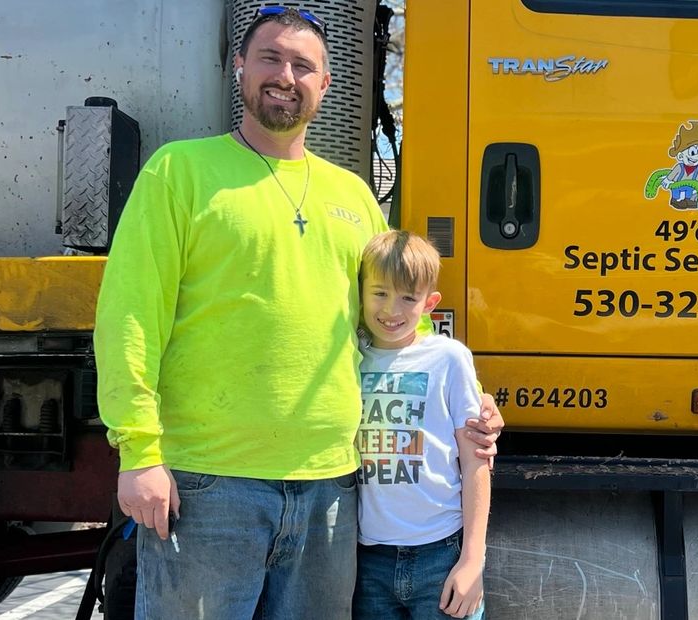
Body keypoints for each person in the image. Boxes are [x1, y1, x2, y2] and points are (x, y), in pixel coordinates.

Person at [92, 7, 502, 618]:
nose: (286, 75)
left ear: (325, 83)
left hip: (332, 491)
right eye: (270, 58)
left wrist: (468, 402)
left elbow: (388, 321)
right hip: (210, 484)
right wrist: (139, 453)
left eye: (302, 65)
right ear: (239, 67)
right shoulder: (179, 172)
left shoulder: (354, 196)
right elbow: (130, 318)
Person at [353, 231, 490, 620]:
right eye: (379, 293)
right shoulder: (351, 358)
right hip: (369, 560)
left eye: (408, 298)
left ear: (429, 304)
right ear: (360, 293)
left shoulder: (449, 359)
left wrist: (472, 562)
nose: (391, 309)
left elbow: (476, 460)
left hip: (441, 553)